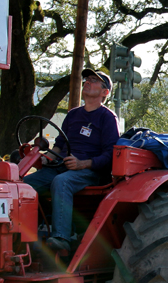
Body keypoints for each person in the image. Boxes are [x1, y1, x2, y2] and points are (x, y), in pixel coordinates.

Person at [23, 68, 120, 256]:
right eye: (87, 79)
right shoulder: (73, 115)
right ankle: (26, 235)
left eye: (93, 80)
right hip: (63, 166)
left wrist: (83, 164)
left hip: (91, 171)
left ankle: (61, 238)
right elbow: (59, 145)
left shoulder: (107, 118)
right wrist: (47, 157)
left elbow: (110, 155)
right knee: (24, 186)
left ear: (105, 92)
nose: (87, 82)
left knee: (62, 182)